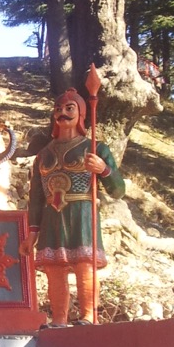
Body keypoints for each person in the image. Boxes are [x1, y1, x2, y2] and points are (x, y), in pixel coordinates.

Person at [19, 88, 125, 326]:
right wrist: (31, 234)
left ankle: (89, 315)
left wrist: (104, 170)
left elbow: (118, 190)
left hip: (82, 213)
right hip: (51, 216)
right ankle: (58, 320)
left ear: (81, 114)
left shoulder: (96, 148)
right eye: (58, 109)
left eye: (69, 109)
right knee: (53, 268)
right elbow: (35, 198)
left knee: (84, 265)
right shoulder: (43, 155)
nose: (62, 114)